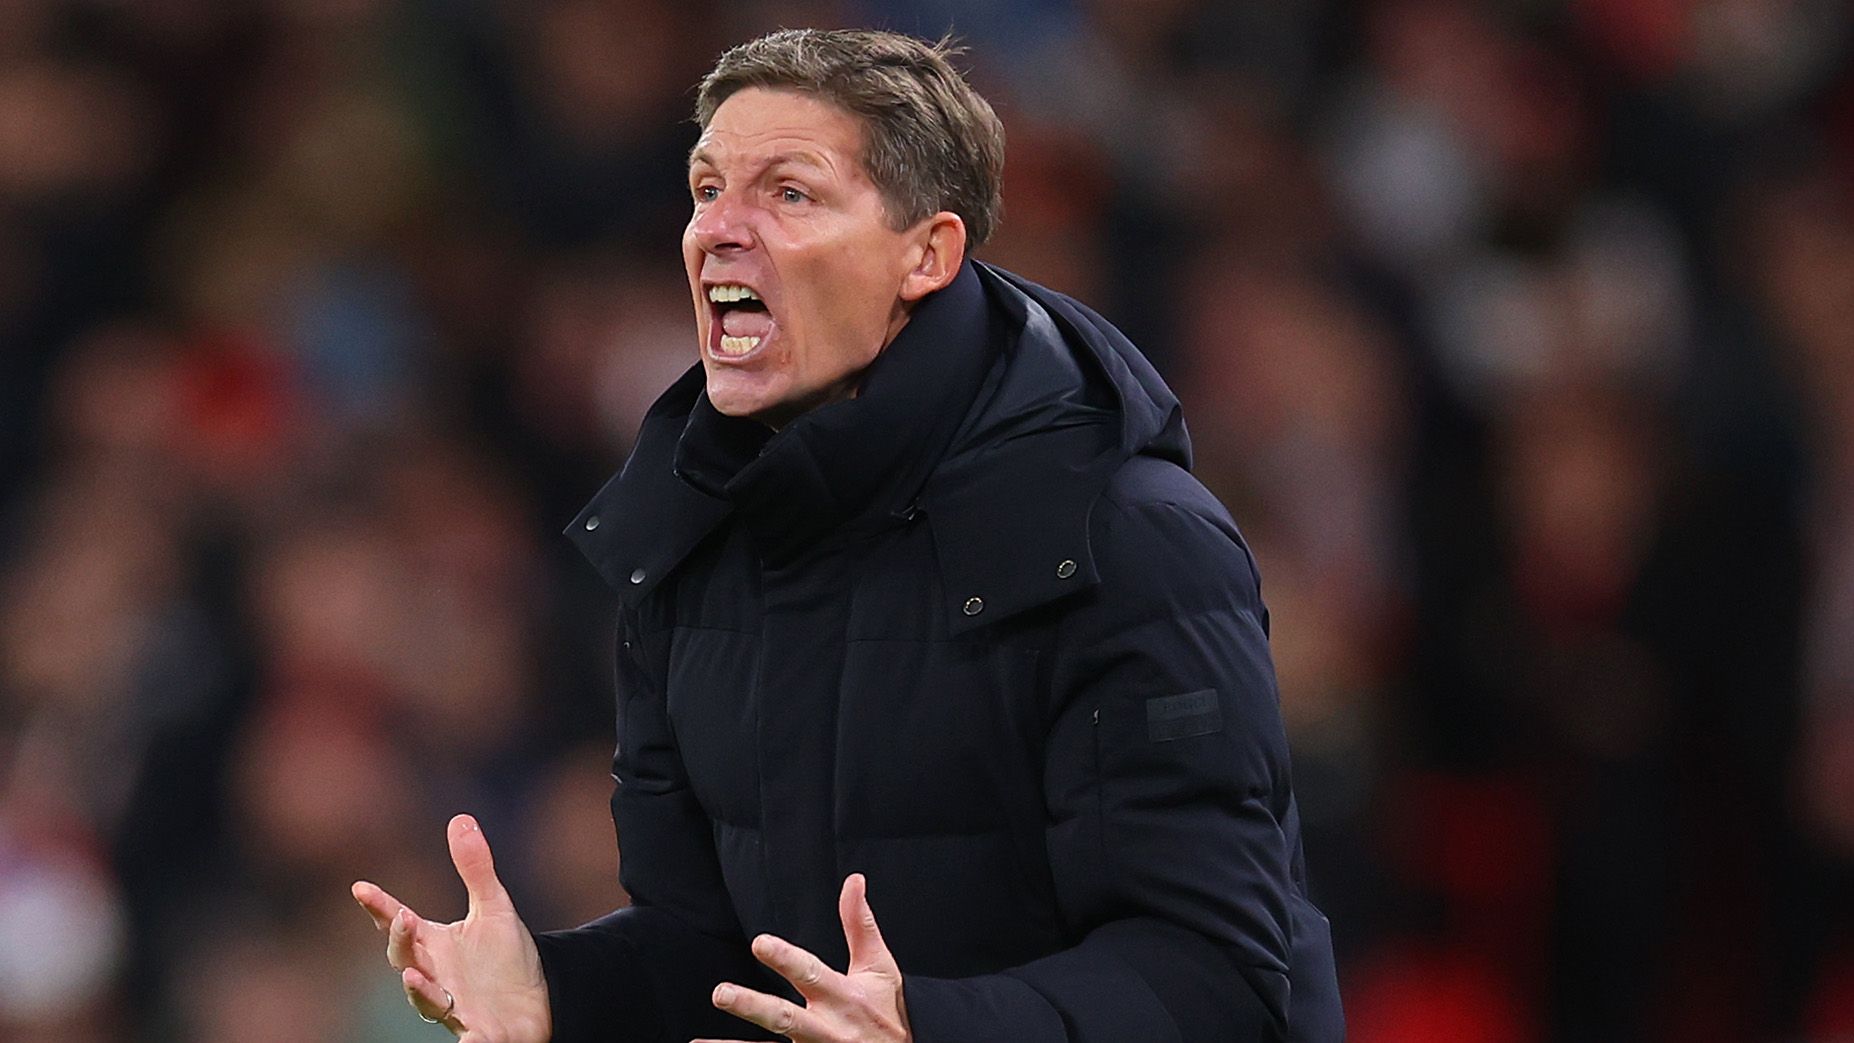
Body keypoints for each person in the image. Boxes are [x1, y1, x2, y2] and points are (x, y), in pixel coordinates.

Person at [352, 27, 1344, 1043]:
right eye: (706, 189)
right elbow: (717, 950)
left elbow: (1220, 980)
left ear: (928, 254)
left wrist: (927, 1026)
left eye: (789, 193)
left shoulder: (1127, 537)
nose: (717, 229)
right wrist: (554, 988)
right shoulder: (686, 535)